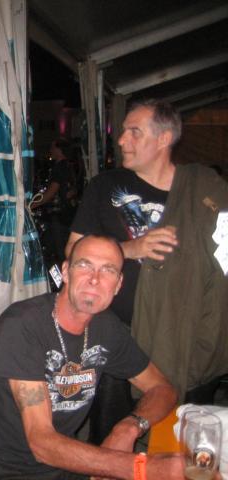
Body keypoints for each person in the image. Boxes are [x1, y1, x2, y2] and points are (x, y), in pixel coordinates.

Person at [66, 99, 228, 444]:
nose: (122, 139)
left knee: (179, 443)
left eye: (134, 132)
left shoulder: (205, 191)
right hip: (118, 338)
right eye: (123, 131)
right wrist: (129, 249)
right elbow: (72, 252)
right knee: (113, 439)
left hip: (186, 338)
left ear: (164, 138)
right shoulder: (105, 187)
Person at [0, 235, 181, 480]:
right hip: (3, 471)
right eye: (85, 265)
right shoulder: (22, 325)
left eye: (108, 270)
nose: (95, 279)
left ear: (118, 284)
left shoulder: (107, 328)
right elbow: (42, 443)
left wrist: (129, 427)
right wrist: (139, 468)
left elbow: (163, 389)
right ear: (65, 272)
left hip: (64, 466)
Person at [31, 138, 79, 263]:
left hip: (59, 215)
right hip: (69, 213)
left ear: (59, 149)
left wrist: (32, 204)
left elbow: (51, 192)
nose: (50, 150)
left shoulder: (59, 168)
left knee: (57, 251)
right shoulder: (70, 165)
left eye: (52, 147)